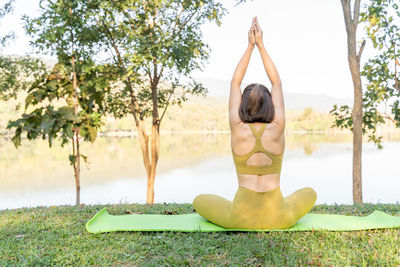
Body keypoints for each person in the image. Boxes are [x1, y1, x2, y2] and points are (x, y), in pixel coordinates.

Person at [192, 17, 317, 229]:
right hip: (280, 218)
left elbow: (235, 82)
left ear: (241, 106)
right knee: (310, 193)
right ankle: (280, 207)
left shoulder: (237, 127)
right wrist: (261, 45)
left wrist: (249, 46)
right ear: (271, 106)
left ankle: (245, 209)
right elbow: (276, 82)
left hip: (240, 219)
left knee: (199, 200)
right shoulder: (278, 126)